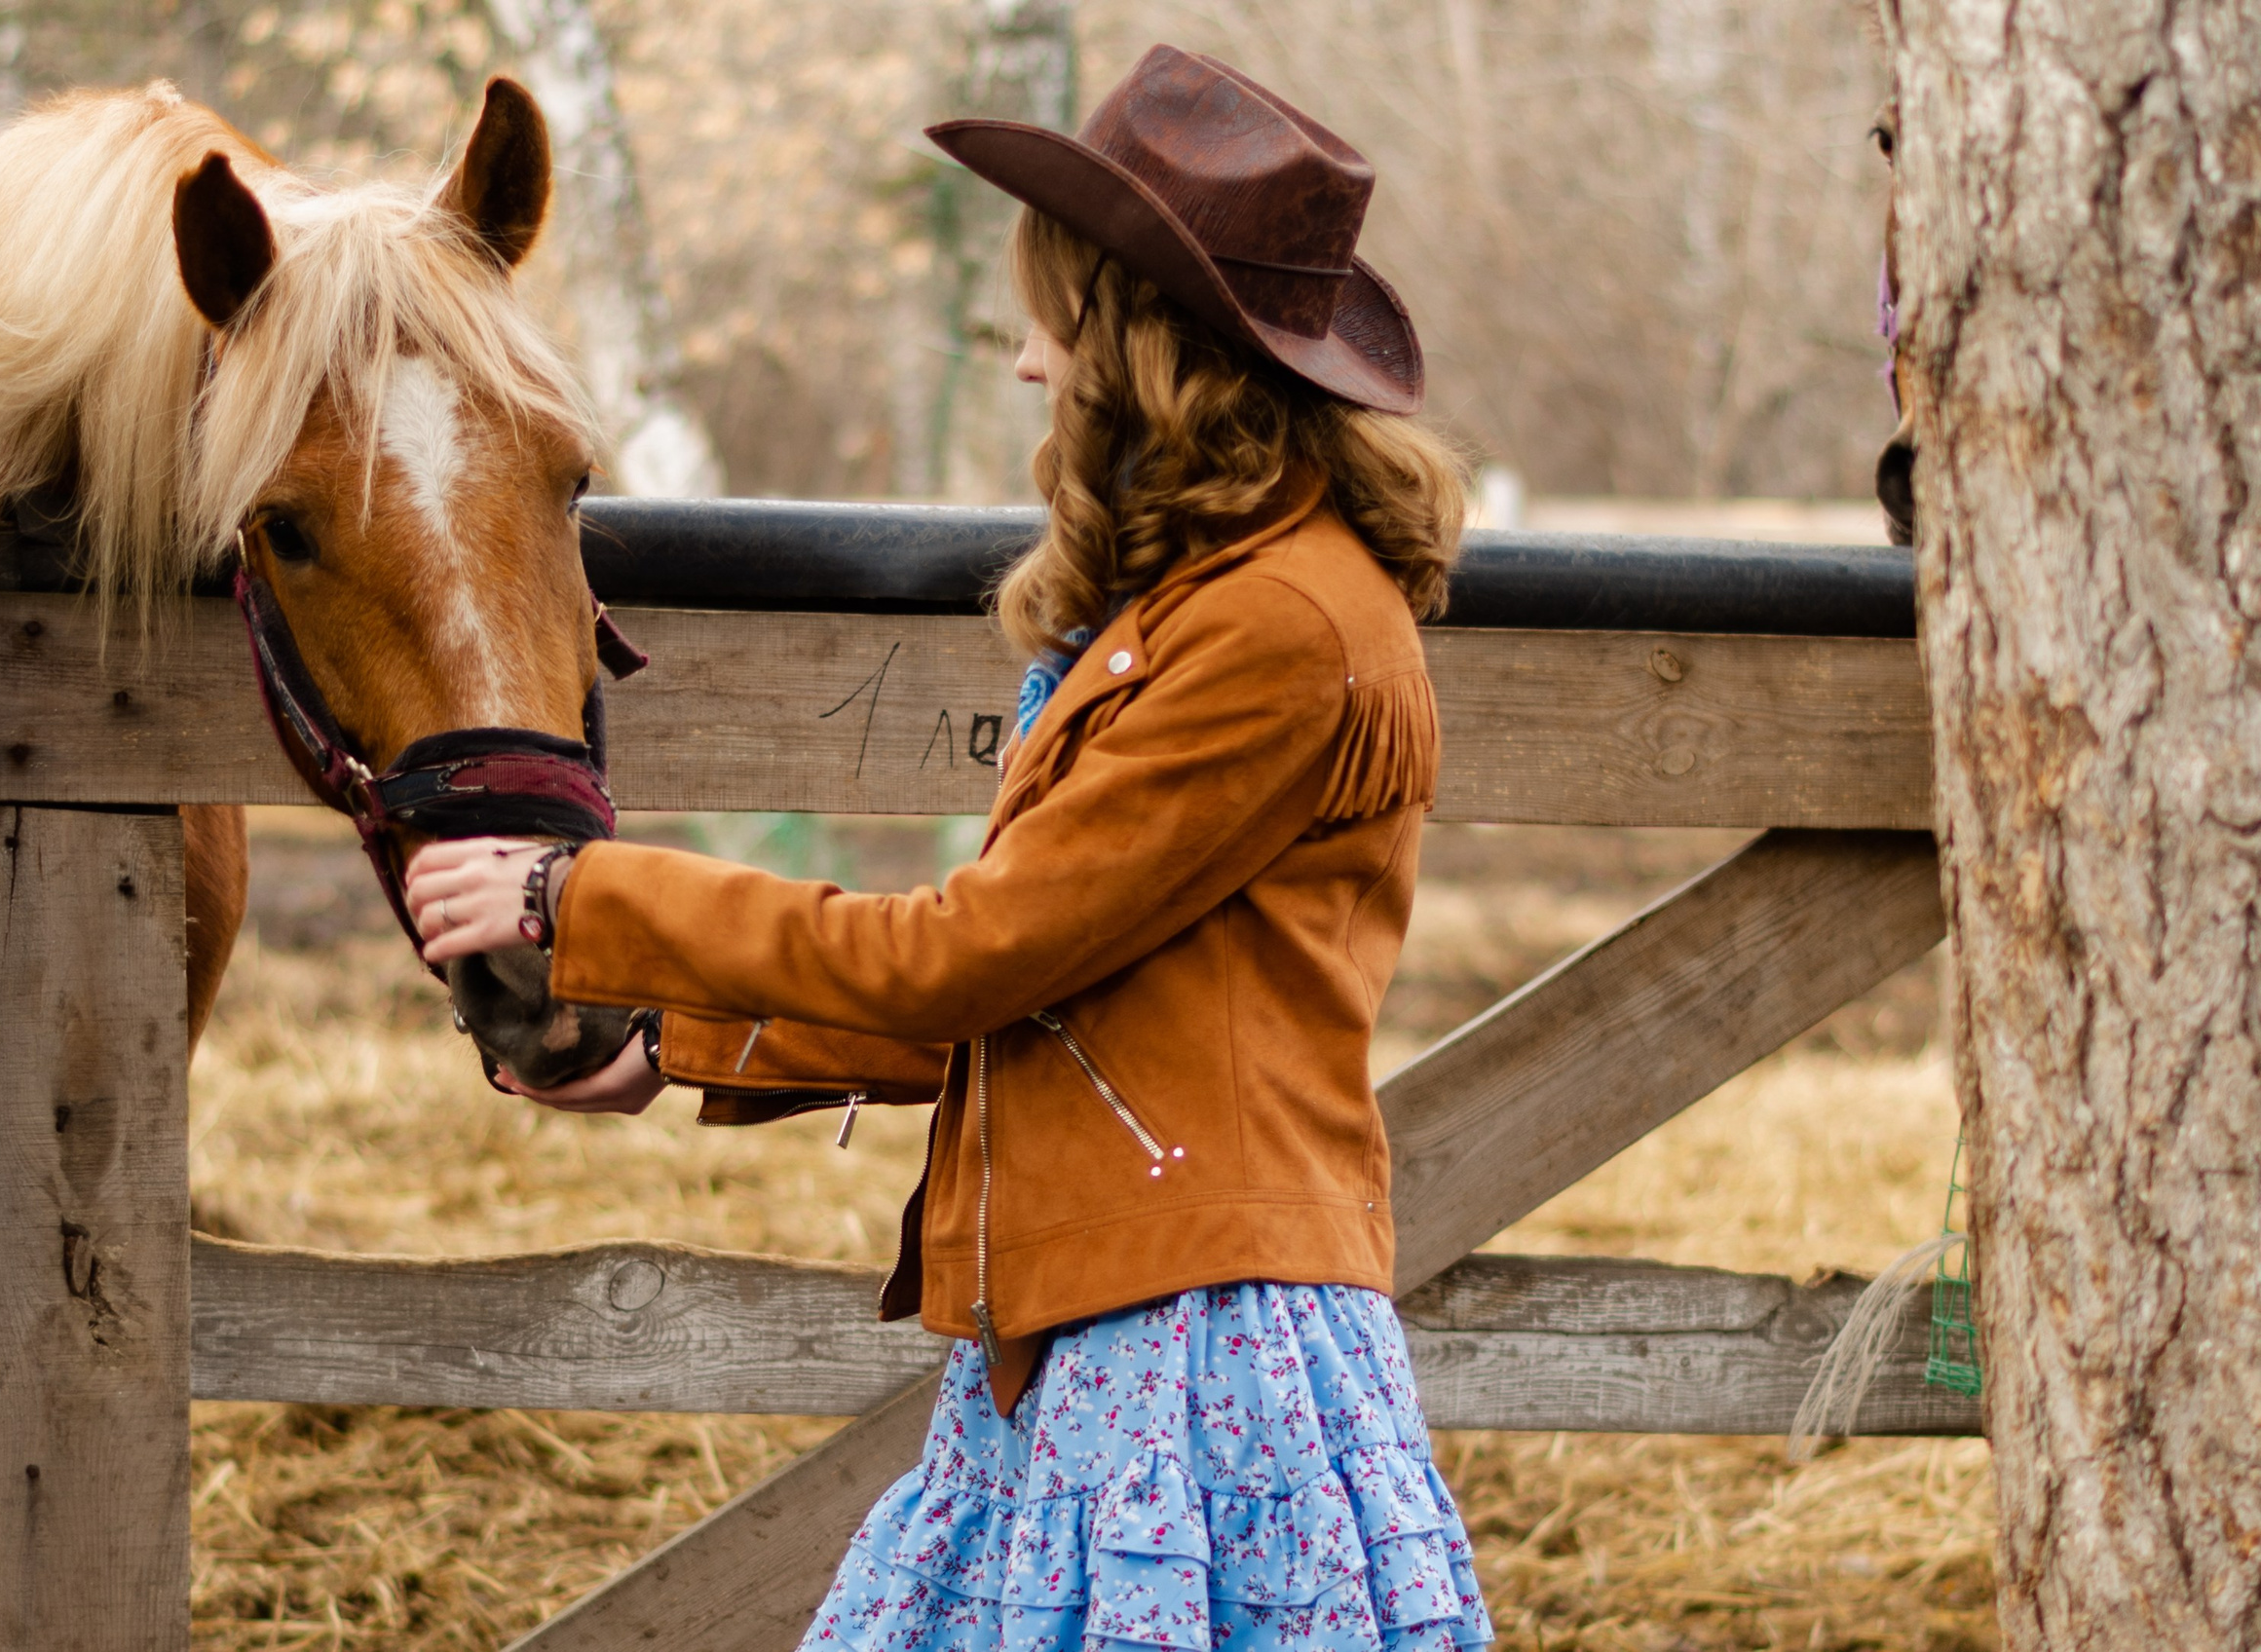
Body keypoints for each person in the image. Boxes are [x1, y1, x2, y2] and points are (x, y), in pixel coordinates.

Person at [406, 43, 1496, 1651]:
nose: (1027, 368)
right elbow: (1047, 998)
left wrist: (585, 900)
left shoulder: (1278, 629)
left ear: (1139, 346)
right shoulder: (1210, 603)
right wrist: (672, 1045)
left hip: (1191, 1349)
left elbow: (972, 952)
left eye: (1050, 322)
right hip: (1100, 1323)